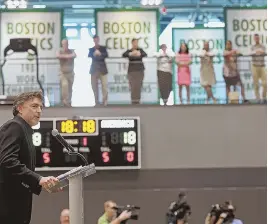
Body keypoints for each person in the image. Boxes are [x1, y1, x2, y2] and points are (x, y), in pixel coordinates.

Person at [0, 91, 61, 224]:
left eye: (40, 107)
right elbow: (8, 161)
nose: (39, 111)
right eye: (34, 106)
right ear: (20, 109)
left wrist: (42, 184)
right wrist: (39, 179)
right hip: (8, 205)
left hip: (15, 204)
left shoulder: (25, 129)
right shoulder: (15, 126)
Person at [122, 38, 147, 104]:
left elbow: (145, 54)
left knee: (138, 86)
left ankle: (138, 100)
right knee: (132, 86)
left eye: (136, 42)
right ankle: (133, 101)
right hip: (131, 71)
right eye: (134, 42)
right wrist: (131, 54)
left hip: (140, 70)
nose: (135, 44)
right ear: (132, 43)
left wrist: (138, 54)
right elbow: (124, 55)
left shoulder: (140, 50)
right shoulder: (129, 51)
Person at [88, 35, 109, 106]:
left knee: (104, 85)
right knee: (94, 86)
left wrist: (99, 54)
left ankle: (105, 101)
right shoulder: (91, 49)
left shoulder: (103, 48)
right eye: (95, 39)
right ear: (93, 40)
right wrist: (94, 54)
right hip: (94, 70)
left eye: (97, 39)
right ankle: (96, 101)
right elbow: (89, 55)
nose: (96, 41)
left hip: (102, 70)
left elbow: (106, 55)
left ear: (98, 40)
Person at [56, 39, 77, 107]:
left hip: (70, 73)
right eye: (64, 44)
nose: (65, 45)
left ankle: (69, 102)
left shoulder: (71, 51)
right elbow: (58, 56)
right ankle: (65, 101)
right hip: (63, 73)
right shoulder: (60, 51)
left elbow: (74, 55)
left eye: (66, 44)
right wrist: (67, 56)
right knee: (65, 86)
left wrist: (65, 57)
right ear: (62, 45)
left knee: (70, 88)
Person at [250, 33, 267, 103]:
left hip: (262, 66)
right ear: (254, 39)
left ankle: (264, 97)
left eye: (258, 38)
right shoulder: (252, 47)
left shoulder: (262, 46)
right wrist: (256, 52)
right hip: (255, 66)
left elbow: (265, 53)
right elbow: (251, 53)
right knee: (256, 84)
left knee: (265, 83)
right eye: (255, 38)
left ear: (259, 38)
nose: (257, 39)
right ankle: (258, 98)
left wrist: (259, 51)